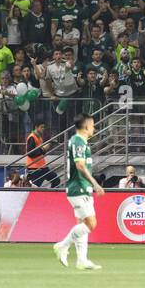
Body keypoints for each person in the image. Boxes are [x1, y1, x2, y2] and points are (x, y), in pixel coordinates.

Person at [54, 113, 104, 269]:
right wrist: (95, 183)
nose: (94, 128)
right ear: (87, 126)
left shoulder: (80, 141)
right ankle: (63, 245)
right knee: (91, 224)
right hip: (79, 187)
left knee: (82, 225)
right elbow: (80, 166)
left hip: (80, 188)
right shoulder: (78, 141)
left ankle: (82, 260)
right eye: (93, 125)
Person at [25, 121, 52, 186]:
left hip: (42, 166)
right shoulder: (32, 137)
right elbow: (30, 153)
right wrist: (43, 149)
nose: (43, 129)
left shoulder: (39, 137)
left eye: (44, 127)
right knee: (35, 187)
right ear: (36, 127)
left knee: (56, 180)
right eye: (41, 127)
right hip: (34, 167)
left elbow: (40, 152)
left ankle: (50, 195)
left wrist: (47, 148)